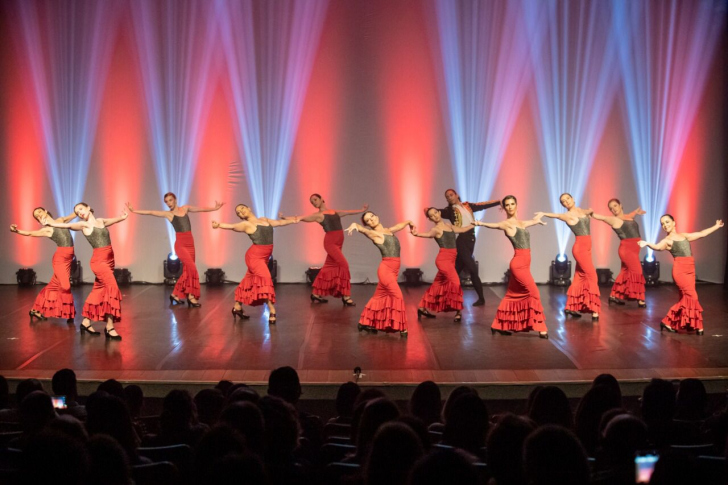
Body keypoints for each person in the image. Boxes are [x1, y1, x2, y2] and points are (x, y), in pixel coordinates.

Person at [44, 203, 128, 339]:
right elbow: (67, 225)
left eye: (81, 209)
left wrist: (122, 217)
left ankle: (86, 322)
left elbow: (111, 221)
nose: (80, 213)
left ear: (88, 207)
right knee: (112, 290)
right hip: (99, 263)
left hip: (109, 261)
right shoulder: (84, 225)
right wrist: (51, 223)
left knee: (98, 291)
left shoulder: (100, 221)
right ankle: (110, 326)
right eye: (77, 212)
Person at [127, 194, 223, 307]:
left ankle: (175, 295)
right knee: (192, 269)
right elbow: (151, 212)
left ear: (175, 200)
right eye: (166, 201)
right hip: (180, 245)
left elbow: (199, 209)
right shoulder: (169, 214)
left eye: (170, 200)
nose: (168, 203)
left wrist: (215, 208)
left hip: (190, 243)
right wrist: (134, 211)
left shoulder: (185, 208)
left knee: (188, 271)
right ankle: (191, 296)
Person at [475, 196, 548, 338]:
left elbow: (529, 222)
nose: (509, 207)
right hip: (519, 264)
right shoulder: (506, 224)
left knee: (512, 296)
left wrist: (537, 220)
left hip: (526, 263)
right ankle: (541, 328)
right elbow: (495, 225)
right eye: (507, 205)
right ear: (504, 208)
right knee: (534, 294)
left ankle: (498, 325)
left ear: (517, 205)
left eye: (512, 204)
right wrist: (481, 223)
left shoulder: (520, 223)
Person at [212, 204, 298, 324]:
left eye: (242, 208)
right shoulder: (246, 224)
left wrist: (292, 220)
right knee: (266, 279)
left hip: (264, 257)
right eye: (238, 212)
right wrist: (219, 225)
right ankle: (272, 310)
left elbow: (279, 223)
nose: (240, 211)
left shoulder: (264, 219)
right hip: (254, 257)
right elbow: (232, 226)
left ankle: (237, 307)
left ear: (249, 208)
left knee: (249, 280)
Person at [639, 216, 723, 335]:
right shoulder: (667, 240)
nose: (665, 225)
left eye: (667, 222)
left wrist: (716, 226)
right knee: (692, 297)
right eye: (662, 224)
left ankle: (672, 323)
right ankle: (676, 321)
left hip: (691, 269)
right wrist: (647, 243)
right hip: (680, 271)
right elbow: (657, 247)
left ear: (674, 222)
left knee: (686, 298)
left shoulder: (684, 236)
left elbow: (701, 234)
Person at [279, 194, 366, 305]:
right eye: (312, 202)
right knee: (344, 265)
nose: (314, 202)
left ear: (321, 199)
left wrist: (361, 210)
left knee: (328, 268)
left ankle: (315, 294)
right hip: (331, 243)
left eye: (315, 200)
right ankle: (346, 296)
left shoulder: (334, 212)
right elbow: (301, 218)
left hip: (339, 243)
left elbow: (348, 212)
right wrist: (285, 218)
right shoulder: (318, 215)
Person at [346, 211, 413, 336]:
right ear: (368, 225)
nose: (371, 220)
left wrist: (408, 222)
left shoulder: (388, 230)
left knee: (379, 297)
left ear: (377, 216)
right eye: (368, 221)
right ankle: (402, 327)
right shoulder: (375, 234)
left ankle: (364, 323)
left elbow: (398, 226)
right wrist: (356, 225)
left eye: (371, 217)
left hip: (394, 270)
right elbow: (365, 231)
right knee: (398, 296)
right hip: (386, 270)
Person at [537, 193, 600, 320]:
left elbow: (588, 211)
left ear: (573, 199)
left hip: (588, 248)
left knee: (580, 277)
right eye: (563, 202)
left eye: (567, 199)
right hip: (580, 248)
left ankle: (571, 307)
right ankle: (594, 309)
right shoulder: (567, 215)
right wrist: (544, 213)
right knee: (592, 276)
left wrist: (591, 211)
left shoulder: (582, 210)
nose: (566, 202)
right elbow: (557, 215)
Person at [10, 207, 77, 323]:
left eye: (40, 212)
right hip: (60, 259)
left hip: (68, 258)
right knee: (65, 286)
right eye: (37, 216)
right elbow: (30, 233)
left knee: (53, 285)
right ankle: (68, 312)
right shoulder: (47, 230)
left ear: (46, 211)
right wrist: (17, 231)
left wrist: (82, 210)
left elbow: (72, 215)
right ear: (38, 221)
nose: (39, 215)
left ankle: (35, 310)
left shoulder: (60, 220)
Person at [410, 207, 475, 322]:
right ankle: (458, 312)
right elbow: (429, 234)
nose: (435, 216)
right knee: (456, 282)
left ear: (439, 212)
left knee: (437, 285)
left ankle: (422, 307)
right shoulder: (436, 229)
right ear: (430, 219)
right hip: (443, 260)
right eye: (431, 216)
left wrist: (474, 224)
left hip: (451, 259)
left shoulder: (449, 225)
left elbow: (462, 229)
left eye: (435, 212)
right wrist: (417, 234)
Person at [438, 189, 500, 306]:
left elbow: (482, 205)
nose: (449, 198)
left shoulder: (468, 205)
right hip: (461, 240)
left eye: (451, 195)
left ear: (456, 195)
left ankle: (441, 296)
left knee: (456, 270)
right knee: (472, 269)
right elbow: (437, 212)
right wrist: (428, 210)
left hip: (471, 239)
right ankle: (481, 299)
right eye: (447, 197)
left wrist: (499, 202)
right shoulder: (449, 210)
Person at [591, 199, 646, 307]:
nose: (613, 209)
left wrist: (635, 212)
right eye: (611, 208)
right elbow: (602, 217)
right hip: (627, 250)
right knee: (637, 271)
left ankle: (614, 295)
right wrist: (591, 213)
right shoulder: (614, 220)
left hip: (633, 250)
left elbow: (629, 217)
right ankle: (640, 299)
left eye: (615, 206)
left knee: (624, 272)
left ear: (620, 205)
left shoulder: (627, 216)